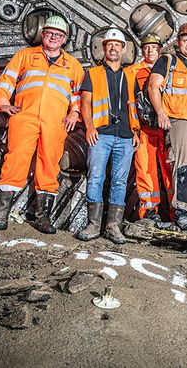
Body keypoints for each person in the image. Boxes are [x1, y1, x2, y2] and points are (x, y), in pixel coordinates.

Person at [0, 15, 84, 233]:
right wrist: (4, 103)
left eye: (58, 35)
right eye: (50, 33)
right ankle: (1, 212)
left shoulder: (73, 65)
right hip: (25, 116)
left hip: (55, 121)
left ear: (64, 39)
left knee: (50, 164)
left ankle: (43, 217)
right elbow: (7, 79)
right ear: (43, 34)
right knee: (15, 159)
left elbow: (78, 94)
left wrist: (75, 112)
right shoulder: (25, 55)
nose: (53, 37)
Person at [76, 29, 140, 244]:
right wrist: (90, 128)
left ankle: (113, 227)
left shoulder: (130, 77)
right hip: (101, 134)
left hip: (125, 135)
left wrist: (136, 131)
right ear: (104, 48)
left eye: (117, 45)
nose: (113, 48)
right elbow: (85, 102)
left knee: (120, 182)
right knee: (95, 177)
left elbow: (135, 107)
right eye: (109, 45)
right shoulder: (92, 74)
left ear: (123, 49)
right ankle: (93, 225)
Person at [148, 23, 187, 230]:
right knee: (182, 167)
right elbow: (153, 86)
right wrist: (160, 113)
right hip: (179, 121)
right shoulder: (168, 61)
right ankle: (181, 211)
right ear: (178, 42)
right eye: (185, 40)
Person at [126, 33, 173, 221]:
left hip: (166, 127)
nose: (150, 50)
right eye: (146, 47)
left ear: (159, 49)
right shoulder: (133, 71)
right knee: (145, 168)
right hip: (145, 128)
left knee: (170, 169)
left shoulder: (170, 69)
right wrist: (134, 129)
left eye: (154, 47)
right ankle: (148, 211)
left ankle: (174, 210)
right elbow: (129, 102)